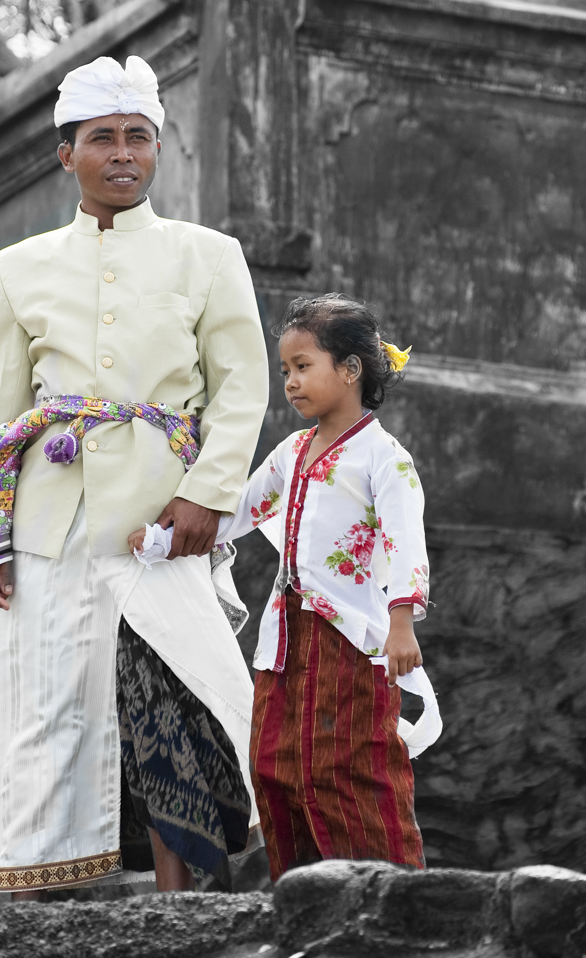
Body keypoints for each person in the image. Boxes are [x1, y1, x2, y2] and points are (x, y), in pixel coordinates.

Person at [0, 55, 269, 897]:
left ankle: (182, 904)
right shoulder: (15, 270)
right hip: (49, 533)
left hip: (162, 530)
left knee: (177, 698)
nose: (123, 154)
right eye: (103, 139)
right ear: (67, 154)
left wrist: (206, 494)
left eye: (140, 138)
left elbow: (241, 388)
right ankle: (45, 906)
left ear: (159, 150)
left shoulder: (209, 257)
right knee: (50, 712)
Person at [129, 294, 438, 880]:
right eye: (286, 371)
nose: (291, 383)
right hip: (285, 639)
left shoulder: (385, 459)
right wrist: (165, 539)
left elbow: (405, 542)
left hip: (352, 642)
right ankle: (301, 897)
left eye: (304, 367)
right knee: (274, 763)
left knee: (348, 765)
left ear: (349, 371)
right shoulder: (292, 452)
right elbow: (237, 512)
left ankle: (391, 895)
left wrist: (401, 621)